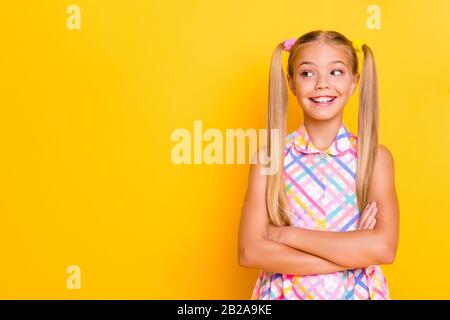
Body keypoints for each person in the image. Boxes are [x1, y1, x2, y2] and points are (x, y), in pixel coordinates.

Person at [238, 30, 399, 300]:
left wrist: (286, 235)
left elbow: (383, 248)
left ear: (354, 81)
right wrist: (352, 253)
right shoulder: (270, 159)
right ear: (291, 82)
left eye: (336, 72)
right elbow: (250, 251)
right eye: (307, 73)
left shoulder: (375, 159)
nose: (322, 84)